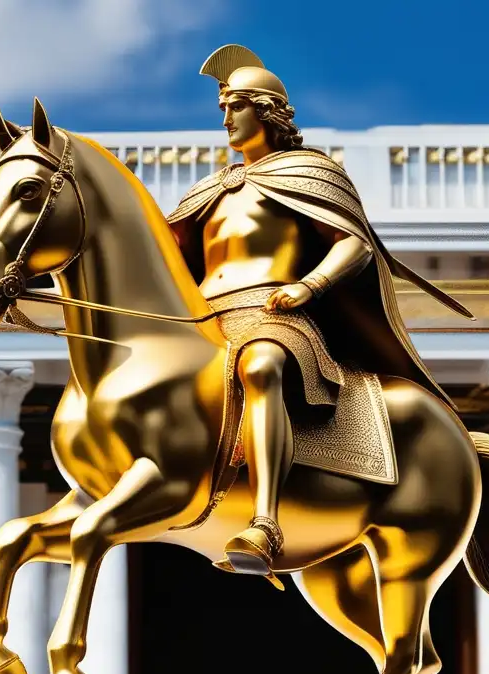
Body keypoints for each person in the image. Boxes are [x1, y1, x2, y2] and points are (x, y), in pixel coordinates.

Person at [167, 44, 473, 585]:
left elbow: (353, 244)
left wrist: (309, 286)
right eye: (221, 108)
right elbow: (163, 261)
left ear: (267, 110)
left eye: (236, 105)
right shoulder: (208, 190)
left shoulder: (309, 172)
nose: (226, 119)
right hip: (209, 321)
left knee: (260, 368)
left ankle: (265, 521)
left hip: (274, 315)